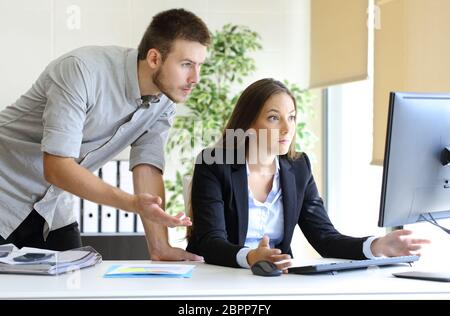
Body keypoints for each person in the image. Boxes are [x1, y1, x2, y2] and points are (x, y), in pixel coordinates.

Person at [0, 8, 210, 261]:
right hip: (6, 189)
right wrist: (131, 203)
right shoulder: (82, 70)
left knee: (74, 283)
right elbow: (56, 167)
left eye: (199, 66)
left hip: (51, 205)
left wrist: (160, 247)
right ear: (154, 58)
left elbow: (148, 167)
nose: (195, 78)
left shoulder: (163, 104)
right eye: (186, 64)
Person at [186, 78, 431, 270]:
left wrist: (376, 246)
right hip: (220, 277)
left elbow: (325, 237)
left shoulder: (298, 167)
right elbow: (211, 242)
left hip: (275, 278)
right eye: (274, 118)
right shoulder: (215, 165)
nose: (287, 128)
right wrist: (251, 257)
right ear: (248, 124)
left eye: (291, 117)